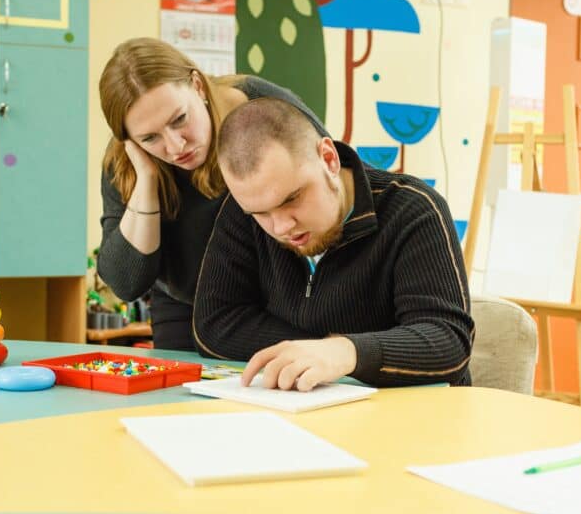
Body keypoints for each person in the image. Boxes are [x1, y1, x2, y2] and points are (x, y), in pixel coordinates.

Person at [192, 97, 474, 389]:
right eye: (260, 213)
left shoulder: (413, 209)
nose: (280, 227)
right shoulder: (243, 211)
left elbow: (448, 343)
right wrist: (315, 351)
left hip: (413, 419)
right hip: (304, 411)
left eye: (291, 198)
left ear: (329, 159)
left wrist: (345, 352)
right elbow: (214, 325)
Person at [97, 38, 327, 350]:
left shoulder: (262, 107)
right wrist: (146, 184)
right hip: (186, 307)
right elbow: (126, 283)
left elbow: (333, 188)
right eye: (150, 138)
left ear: (198, 86)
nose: (176, 146)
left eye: (180, 119)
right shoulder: (125, 162)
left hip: (278, 301)